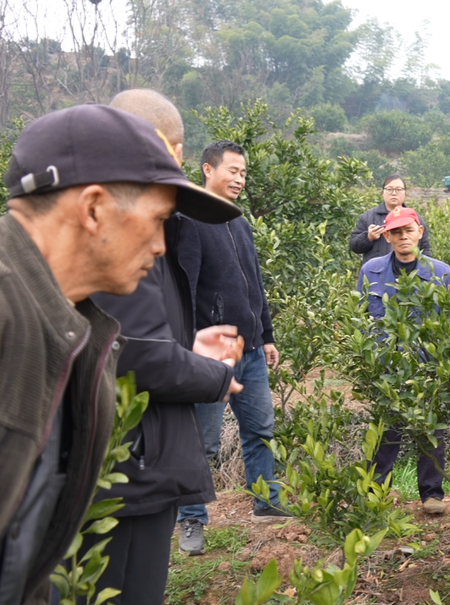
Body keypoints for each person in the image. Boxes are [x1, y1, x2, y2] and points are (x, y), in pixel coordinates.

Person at [0, 103, 232, 604]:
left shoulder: (67, 326)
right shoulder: (0, 316)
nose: (163, 245)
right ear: (94, 207)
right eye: (158, 219)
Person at [72, 90, 245, 603]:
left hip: (136, 462)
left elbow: (125, 337)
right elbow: (135, 357)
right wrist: (214, 375)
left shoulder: (136, 226)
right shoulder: (117, 232)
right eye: (178, 147)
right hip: (127, 467)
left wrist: (188, 346)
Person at [176, 141, 289, 555]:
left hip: (253, 350)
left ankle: (266, 501)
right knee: (200, 442)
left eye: (244, 173)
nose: (240, 179)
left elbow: (255, 285)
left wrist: (267, 334)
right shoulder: (189, 220)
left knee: (260, 430)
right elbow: (184, 290)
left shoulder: (239, 222)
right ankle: (191, 518)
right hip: (212, 355)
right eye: (233, 171)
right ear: (208, 169)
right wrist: (190, 349)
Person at [359, 206, 450, 515]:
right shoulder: (371, 270)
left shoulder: (442, 272)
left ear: (420, 232)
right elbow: (361, 318)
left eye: (408, 231)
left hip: (428, 367)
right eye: (396, 232)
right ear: (387, 236)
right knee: (386, 432)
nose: (403, 237)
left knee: (430, 431)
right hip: (387, 369)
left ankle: (432, 495)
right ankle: (377, 492)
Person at [350, 174, 431, 265]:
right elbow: (354, 246)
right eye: (389, 189)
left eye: (399, 189)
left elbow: (425, 249)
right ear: (383, 192)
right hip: (376, 273)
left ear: (405, 193)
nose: (394, 193)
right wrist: (368, 237)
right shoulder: (368, 217)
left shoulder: (414, 218)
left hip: (407, 273)